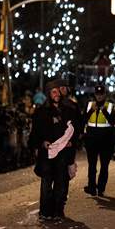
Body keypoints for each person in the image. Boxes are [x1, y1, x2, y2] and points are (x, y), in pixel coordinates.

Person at [29, 79, 79, 221]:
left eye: (58, 91)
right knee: (46, 184)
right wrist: (41, 143)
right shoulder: (41, 112)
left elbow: (75, 130)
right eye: (54, 92)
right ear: (49, 94)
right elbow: (35, 133)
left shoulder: (68, 110)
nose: (57, 94)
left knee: (61, 183)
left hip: (63, 154)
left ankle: (58, 211)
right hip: (47, 155)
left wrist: (71, 142)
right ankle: (45, 212)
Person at [83, 84, 115, 197]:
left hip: (106, 140)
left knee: (104, 165)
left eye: (101, 94)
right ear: (95, 95)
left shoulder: (109, 106)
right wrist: (92, 110)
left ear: (105, 95)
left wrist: (104, 111)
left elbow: (113, 122)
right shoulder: (89, 105)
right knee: (92, 165)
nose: (99, 97)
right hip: (91, 139)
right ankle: (91, 187)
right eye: (97, 94)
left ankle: (101, 188)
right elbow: (83, 119)